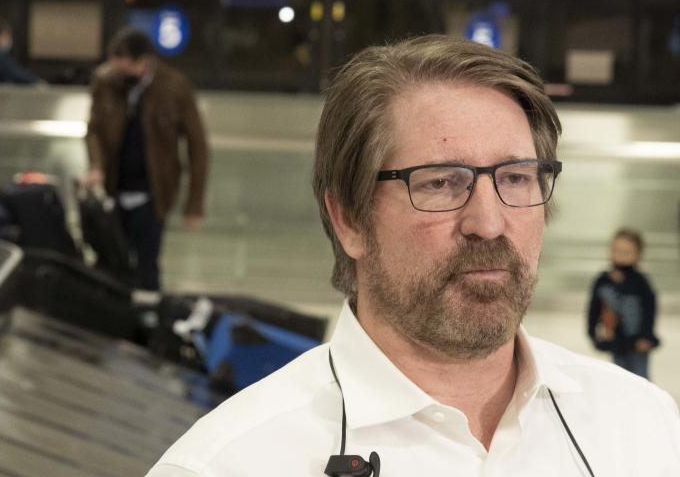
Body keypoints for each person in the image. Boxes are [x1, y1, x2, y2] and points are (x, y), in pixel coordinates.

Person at [147, 35, 680, 476]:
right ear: (349, 218)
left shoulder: (643, 427)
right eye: (442, 183)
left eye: (516, 177)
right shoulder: (230, 463)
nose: (489, 223)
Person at [84, 27, 208, 293]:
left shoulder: (174, 87)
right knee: (111, 261)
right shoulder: (104, 82)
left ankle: (147, 319)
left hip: (154, 192)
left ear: (144, 61)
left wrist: (194, 203)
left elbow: (198, 146)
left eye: (126, 69)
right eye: (115, 68)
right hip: (114, 188)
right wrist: (96, 166)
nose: (120, 75)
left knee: (147, 263)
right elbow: (94, 130)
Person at [587, 227, 660, 378]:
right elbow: (593, 307)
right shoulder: (603, 281)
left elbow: (650, 309)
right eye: (616, 250)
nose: (620, 256)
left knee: (640, 377)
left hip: (638, 341)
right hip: (616, 341)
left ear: (638, 255)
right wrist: (592, 331)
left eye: (626, 253)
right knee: (618, 375)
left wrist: (646, 335)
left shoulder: (641, 282)